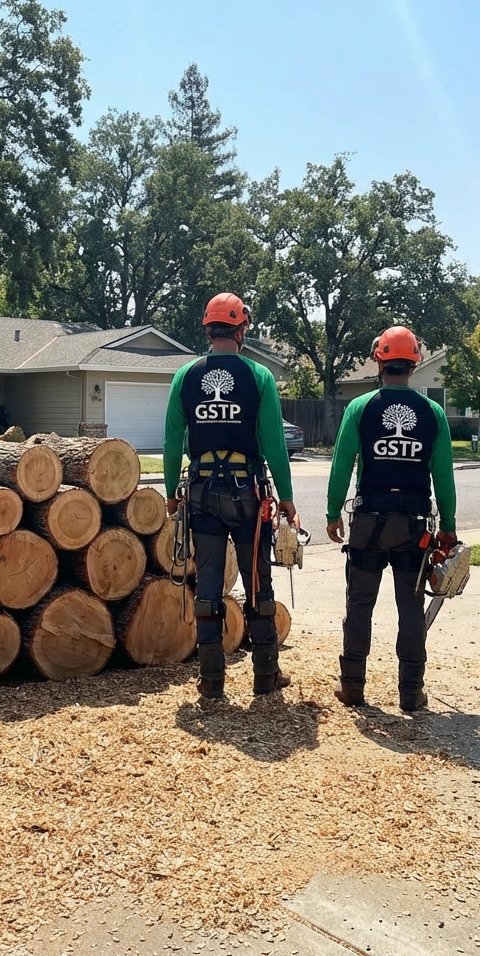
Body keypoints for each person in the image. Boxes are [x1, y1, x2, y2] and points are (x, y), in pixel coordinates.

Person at [163, 292, 297, 699]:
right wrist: (287, 497)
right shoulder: (259, 377)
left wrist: (172, 492)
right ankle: (265, 676)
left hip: (202, 493)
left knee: (206, 586)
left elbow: (171, 440)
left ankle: (211, 681)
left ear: (208, 329)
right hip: (247, 494)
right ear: (242, 329)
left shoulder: (185, 376)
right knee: (258, 584)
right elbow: (274, 444)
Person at [326, 326, 457, 711]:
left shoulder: (360, 408)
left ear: (379, 360)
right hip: (413, 523)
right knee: (411, 606)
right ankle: (411, 692)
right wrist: (447, 525)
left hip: (369, 519)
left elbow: (342, 465)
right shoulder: (432, 413)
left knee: (360, 603)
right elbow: (443, 476)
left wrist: (334, 512)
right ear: (414, 363)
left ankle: (352, 686)